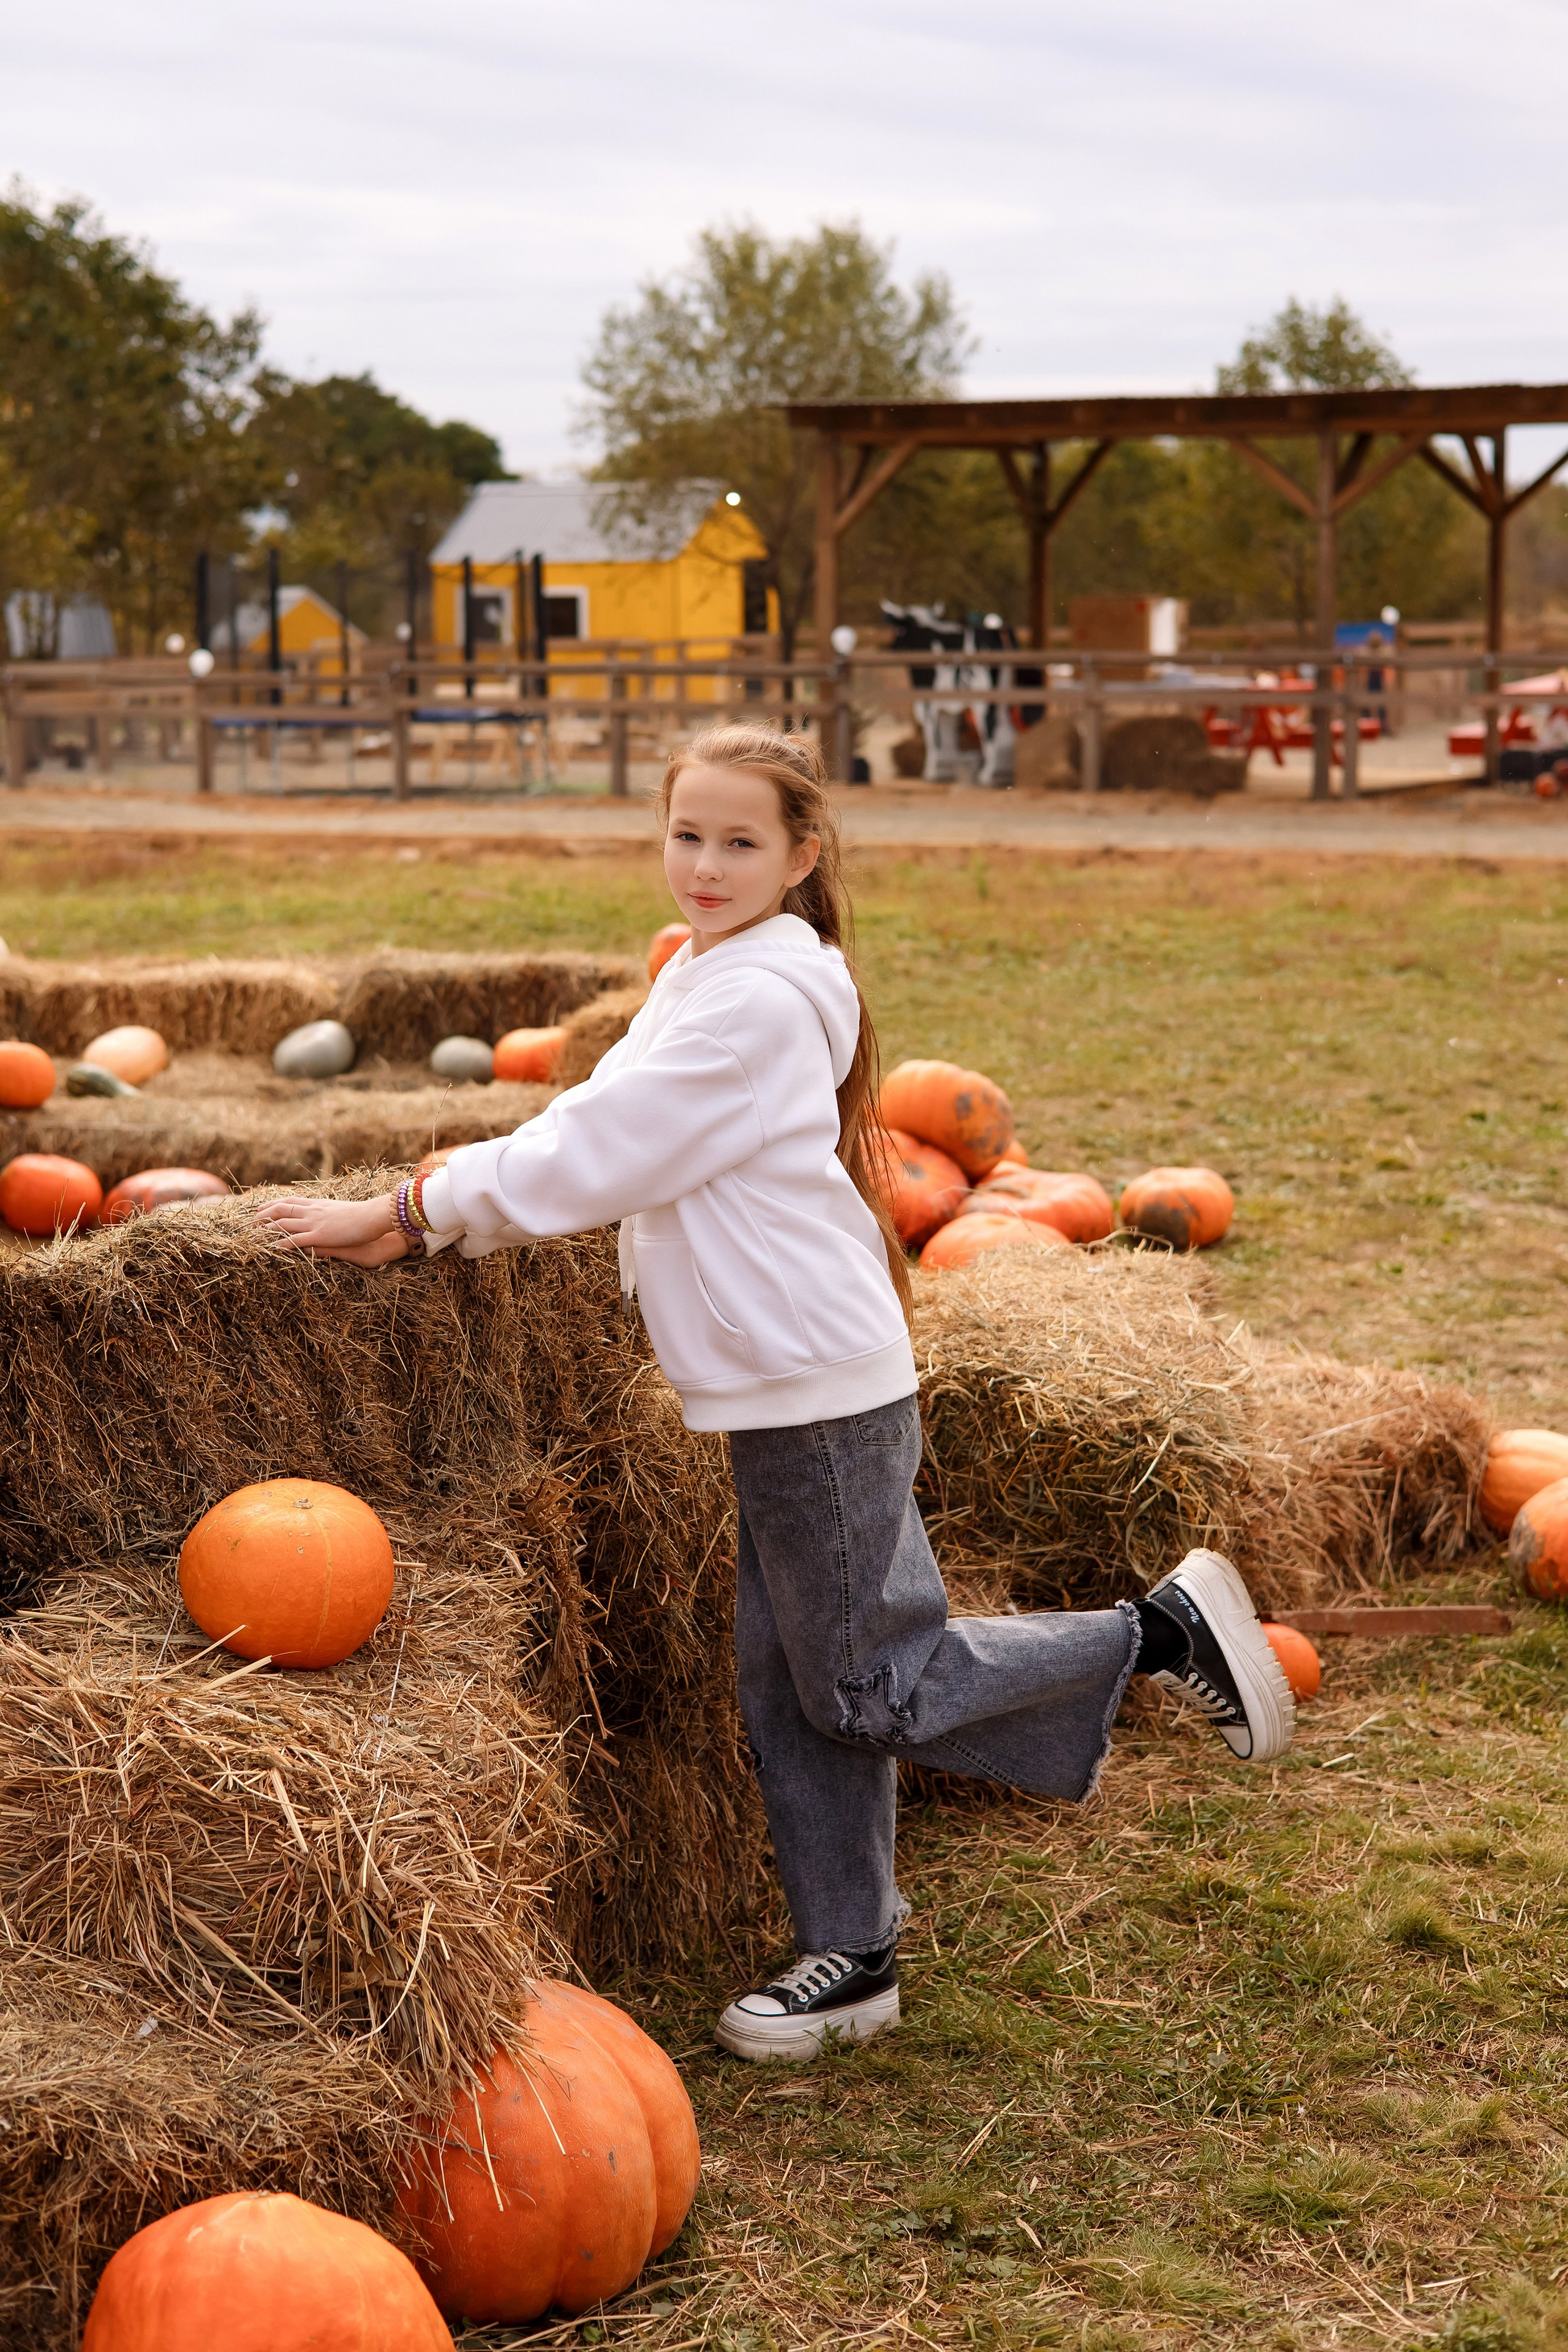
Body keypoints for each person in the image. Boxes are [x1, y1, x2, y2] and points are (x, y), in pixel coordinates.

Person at [255, 723, 1295, 2064]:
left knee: (865, 1681)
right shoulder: (708, 969)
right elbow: (593, 1113)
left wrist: (406, 1210)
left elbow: (604, 1149)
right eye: (685, 834)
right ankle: (849, 1953)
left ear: (802, 855)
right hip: (775, 1380)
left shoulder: (751, 1003)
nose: (703, 863)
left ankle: (1154, 1635)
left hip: (811, 1384)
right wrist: (436, 1205)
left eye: (739, 841)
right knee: (788, 1679)